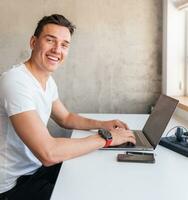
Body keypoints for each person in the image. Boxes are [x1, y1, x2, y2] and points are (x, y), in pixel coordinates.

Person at [0, 14, 136, 200]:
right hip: (12, 185)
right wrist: (108, 138)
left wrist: (103, 125)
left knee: (92, 175)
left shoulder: (47, 80)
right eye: (50, 40)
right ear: (33, 42)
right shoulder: (16, 81)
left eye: (64, 45)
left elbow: (65, 118)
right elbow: (48, 152)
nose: (57, 50)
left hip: (35, 169)